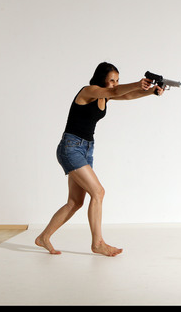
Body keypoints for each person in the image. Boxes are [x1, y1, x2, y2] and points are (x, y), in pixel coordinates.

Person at [35, 62, 164, 257]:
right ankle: (98, 243)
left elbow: (126, 95)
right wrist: (138, 84)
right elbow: (117, 92)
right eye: (111, 80)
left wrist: (151, 91)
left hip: (86, 149)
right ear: (101, 79)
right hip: (71, 148)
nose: (115, 84)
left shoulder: (106, 96)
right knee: (98, 192)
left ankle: (43, 237)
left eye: (117, 80)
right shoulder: (89, 91)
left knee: (74, 202)